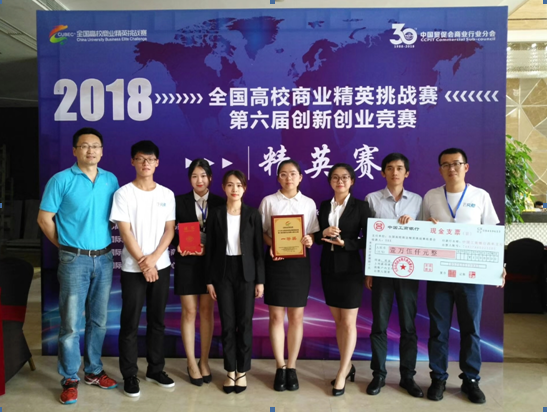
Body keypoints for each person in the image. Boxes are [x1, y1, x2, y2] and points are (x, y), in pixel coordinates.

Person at [37, 127, 119, 405]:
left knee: (99, 320)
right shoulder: (61, 180)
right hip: (74, 260)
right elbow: (44, 219)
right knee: (71, 324)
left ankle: (93, 371)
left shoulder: (110, 180)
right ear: (75, 150)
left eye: (95, 146)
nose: (90, 150)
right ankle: (70, 378)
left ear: (102, 151)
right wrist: (64, 246)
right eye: (84, 146)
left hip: (104, 258)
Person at [423, 148, 505, 404]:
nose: (451, 168)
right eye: (446, 164)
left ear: (466, 167)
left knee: (471, 330)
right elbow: (421, 231)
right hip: (439, 275)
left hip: (470, 276)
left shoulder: (480, 196)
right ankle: (438, 378)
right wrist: (427, 228)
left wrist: (499, 264)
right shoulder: (431, 196)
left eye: (456, 163)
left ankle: (471, 380)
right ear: (440, 169)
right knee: (438, 330)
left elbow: (492, 234)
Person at [110, 140, 176, 397]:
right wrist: (143, 262)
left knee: (157, 321)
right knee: (130, 322)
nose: (145, 163)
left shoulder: (166, 194)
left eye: (150, 159)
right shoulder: (123, 194)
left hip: (161, 266)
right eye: (140, 159)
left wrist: (154, 259)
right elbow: (125, 231)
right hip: (132, 268)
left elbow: (169, 230)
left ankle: (155, 369)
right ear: (133, 162)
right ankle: (129, 374)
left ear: (157, 163)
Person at [364, 153, 424, 398]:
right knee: (379, 324)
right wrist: (368, 270)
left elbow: (426, 234)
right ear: (383, 173)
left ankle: (407, 376)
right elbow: (368, 237)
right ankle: (378, 374)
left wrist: (415, 225)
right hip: (381, 271)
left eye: (399, 168)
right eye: (390, 168)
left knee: (408, 325)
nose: (395, 172)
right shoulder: (372, 199)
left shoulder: (418, 201)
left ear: (406, 173)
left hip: (408, 271)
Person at [259, 159, 319, 392]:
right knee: (275, 318)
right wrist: (272, 245)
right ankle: (279, 366)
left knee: (296, 317)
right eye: (283, 174)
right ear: (278, 178)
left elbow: (312, 233)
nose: (288, 178)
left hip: (299, 265)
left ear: (300, 177)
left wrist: (309, 240)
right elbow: (262, 232)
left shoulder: (308, 203)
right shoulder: (268, 202)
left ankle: (292, 367)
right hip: (275, 263)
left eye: (293, 173)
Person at [205, 170, 265, 394]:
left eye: (239, 185)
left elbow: (258, 250)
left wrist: (260, 281)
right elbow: (210, 249)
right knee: (228, 324)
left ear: (244, 188)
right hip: (222, 273)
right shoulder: (216, 214)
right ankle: (230, 370)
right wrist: (209, 281)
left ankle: (243, 371)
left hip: (246, 273)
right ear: (223, 188)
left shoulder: (252, 214)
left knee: (245, 323)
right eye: (230, 185)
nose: (234, 189)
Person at [315, 163, 371, 396]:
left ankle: (342, 372)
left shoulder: (361, 206)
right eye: (336, 177)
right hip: (328, 269)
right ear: (330, 181)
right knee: (338, 321)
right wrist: (323, 233)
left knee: (348, 323)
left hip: (350, 270)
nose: (340, 181)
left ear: (352, 181)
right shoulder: (324, 205)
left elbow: (369, 238)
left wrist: (345, 243)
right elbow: (315, 236)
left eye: (345, 177)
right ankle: (347, 366)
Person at [173, 159, 225, 386]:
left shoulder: (220, 202)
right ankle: (191, 362)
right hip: (187, 262)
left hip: (210, 263)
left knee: (206, 311)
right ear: (189, 179)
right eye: (194, 176)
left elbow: (224, 235)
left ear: (210, 178)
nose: (199, 180)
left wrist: (209, 248)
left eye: (203, 176)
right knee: (189, 312)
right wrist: (177, 244)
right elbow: (168, 230)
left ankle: (204, 361)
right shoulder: (179, 201)